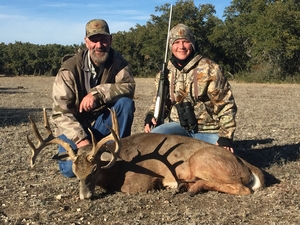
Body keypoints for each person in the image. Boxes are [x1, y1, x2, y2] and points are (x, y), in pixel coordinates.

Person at [51, 19, 135, 177]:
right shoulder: (69, 69)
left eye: (103, 40)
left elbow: (128, 86)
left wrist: (97, 94)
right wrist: (81, 140)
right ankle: (98, 154)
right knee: (71, 170)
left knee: (125, 103)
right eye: (94, 40)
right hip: (73, 129)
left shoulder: (117, 62)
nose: (99, 45)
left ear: (110, 40)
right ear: (86, 42)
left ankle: (118, 154)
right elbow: (60, 114)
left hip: (100, 124)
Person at [144, 23, 237, 153]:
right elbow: (160, 101)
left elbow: (226, 105)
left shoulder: (210, 69)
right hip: (177, 127)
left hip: (208, 129)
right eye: (176, 42)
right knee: (150, 141)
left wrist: (225, 138)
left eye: (185, 42)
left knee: (223, 159)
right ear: (171, 46)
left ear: (192, 44)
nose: (181, 47)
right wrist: (150, 115)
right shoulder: (165, 73)